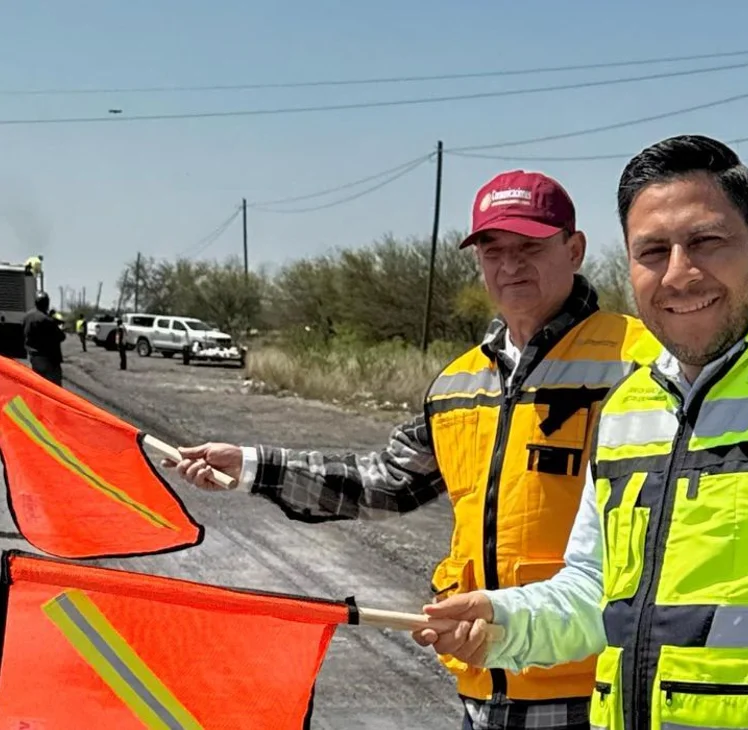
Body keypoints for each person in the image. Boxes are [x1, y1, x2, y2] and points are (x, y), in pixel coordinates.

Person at [416, 135, 748, 730]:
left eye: (705, 242)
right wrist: (502, 620)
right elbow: (593, 596)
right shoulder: (629, 403)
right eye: (651, 252)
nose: (679, 274)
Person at [168, 170, 653, 730]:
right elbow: (383, 481)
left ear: (574, 249)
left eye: (530, 247)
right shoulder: (458, 383)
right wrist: (253, 466)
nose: (510, 265)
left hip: (595, 691)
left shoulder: (638, 363)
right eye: (493, 250)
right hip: (481, 683)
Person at [23, 292, 65, 386]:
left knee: (38, 388)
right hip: (48, 360)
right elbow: (61, 337)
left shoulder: (27, 317)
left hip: (33, 358)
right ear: (47, 304)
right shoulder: (47, 320)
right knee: (54, 390)